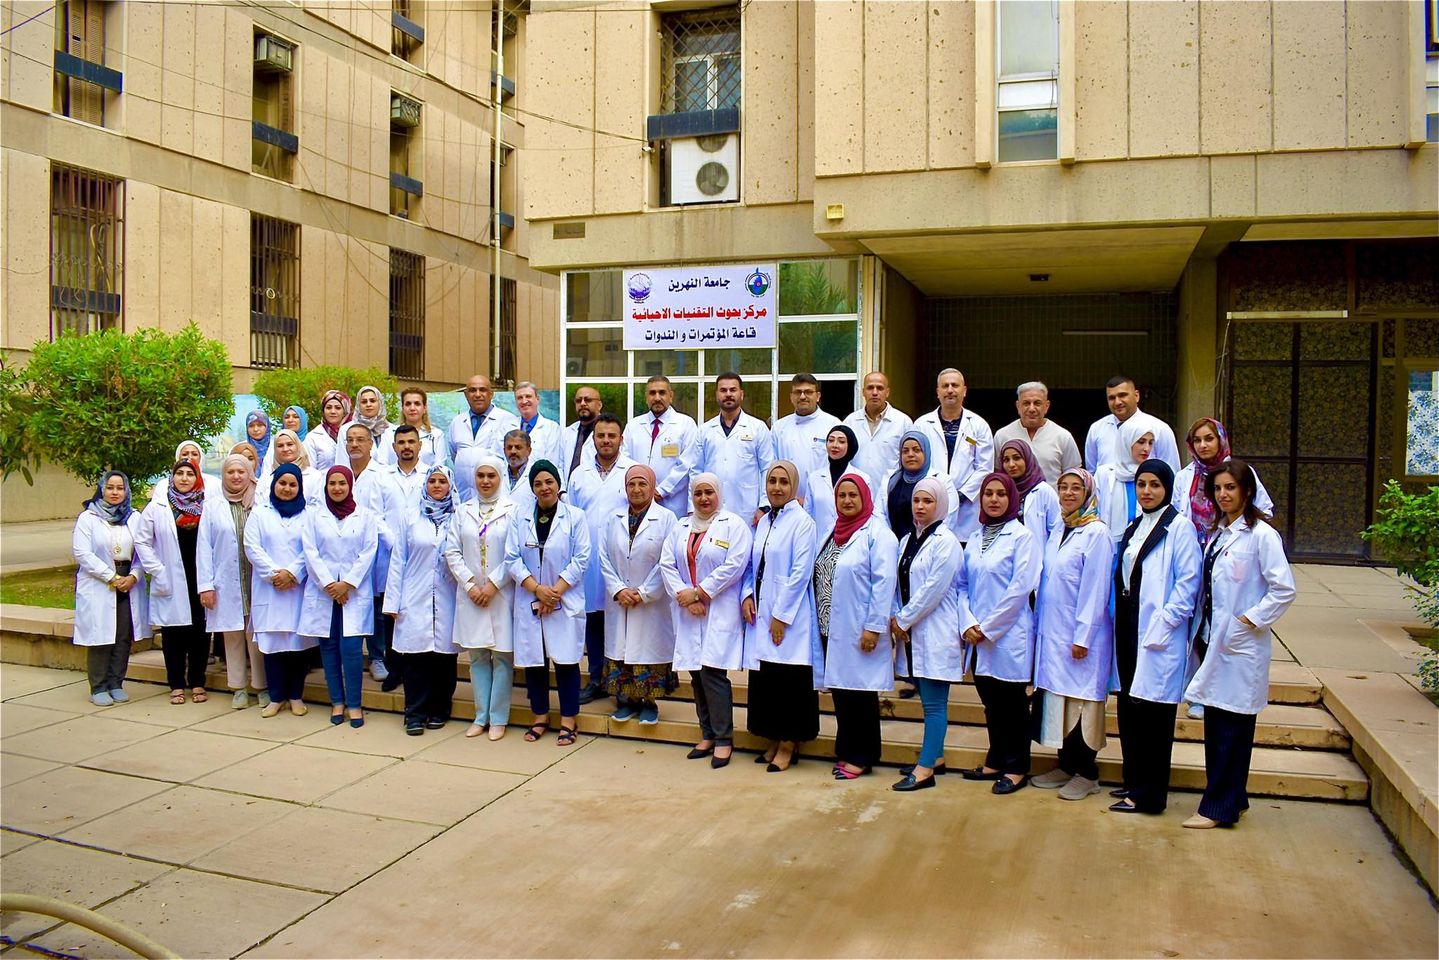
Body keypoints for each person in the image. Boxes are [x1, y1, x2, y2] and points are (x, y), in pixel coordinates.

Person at [1182, 459, 1297, 829]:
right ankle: (1234, 799)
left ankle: (1217, 808)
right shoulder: (1219, 533)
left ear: (1247, 491)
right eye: (1218, 488)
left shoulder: (1262, 536)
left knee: (1230, 731)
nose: (1223, 495)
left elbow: (1284, 589)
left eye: (1230, 487)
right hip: (1214, 641)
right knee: (1217, 726)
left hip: (1241, 645)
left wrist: (1249, 620)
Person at [1108, 459, 1202, 816]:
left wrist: (1164, 624)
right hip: (1129, 627)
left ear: (1167, 488)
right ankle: (1133, 781)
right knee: (1130, 708)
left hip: (1159, 632)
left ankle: (1149, 796)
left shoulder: (1179, 528)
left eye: (1155, 485)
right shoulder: (1135, 526)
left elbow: (1188, 585)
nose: (1147, 491)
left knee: (1154, 718)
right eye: (1142, 484)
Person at [956, 472, 1042, 795]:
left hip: (1008, 634)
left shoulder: (1022, 537)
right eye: (988, 493)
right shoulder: (975, 536)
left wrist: (988, 627)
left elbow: (1020, 589)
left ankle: (1017, 767)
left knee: (1013, 706)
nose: (993, 499)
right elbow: (962, 585)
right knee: (990, 702)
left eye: (1000, 494)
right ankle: (996, 759)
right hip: (977, 636)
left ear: (1011, 499)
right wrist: (967, 622)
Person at [1031, 468, 1115, 800]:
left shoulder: (1097, 533)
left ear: (1088, 493)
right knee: (1060, 703)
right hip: (1054, 633)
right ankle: (1066, 765)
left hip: (1082, 637)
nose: (1067, 493)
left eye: (1075, 488)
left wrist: (1083, 637)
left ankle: (1087, 773)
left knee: (1082, 705)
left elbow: (1096, 589)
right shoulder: (1060, 528)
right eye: (1063, 487)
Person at [660, 473, 753, 769]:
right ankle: (707, 733)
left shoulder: (734, 525)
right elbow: (666, 563)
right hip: (688, 610)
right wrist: (686, 596)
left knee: (713, 674)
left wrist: (701, 592)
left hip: (718, 609)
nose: (703, 498)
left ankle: (724, 739)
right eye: (698, 493)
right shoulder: (681, 526)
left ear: (719, 494)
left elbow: (735, 565)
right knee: (696, 675)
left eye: (709, 492)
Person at [817, 472, 898, 780]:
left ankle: (862, 756)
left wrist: (873, 627)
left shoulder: (878, 534)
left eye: (853, 495)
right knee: (842, 693)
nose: (847, 500)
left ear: (865, 497)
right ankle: (847, 749)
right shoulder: (833, 530)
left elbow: (884, 583)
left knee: (860, 696)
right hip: (830, 626)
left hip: (859, 628)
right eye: (842, 495)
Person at [507, 460, 590, 747]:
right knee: (535, 663)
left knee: (566, 662)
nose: (544, 488)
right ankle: (540, 716)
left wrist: (553, 593)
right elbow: (512, 558)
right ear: (532, 488)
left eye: (549, 482)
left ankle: (568, 720)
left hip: (563, 598)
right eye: (538, 483)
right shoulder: (519, 517)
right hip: (531, 597)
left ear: (558, 484)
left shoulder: (575, 517)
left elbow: (581, 558)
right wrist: (537, 590)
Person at [743, 461, 819, 773]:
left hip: (789, 615)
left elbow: (801, 573)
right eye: (772, 481)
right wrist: (747, 595)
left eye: (783, 482)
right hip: (762, 610)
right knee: (769, 678)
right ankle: (773, 736)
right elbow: (753, 564)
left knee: (790, 680)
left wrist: (781, 616)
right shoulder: (764, 521)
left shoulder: (803, 523)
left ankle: (789, 743)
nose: (777, 487)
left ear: (794, 486)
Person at [889, 477, 963, 792]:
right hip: (912, 632)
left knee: (934, 704)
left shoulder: (947, 542)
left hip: (935, 631)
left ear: (940, 505)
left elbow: (933, 589)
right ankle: (936, 756)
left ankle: (925, 769)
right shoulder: (908, 539)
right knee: (926, 700)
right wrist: (897, 616)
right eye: (917, 501)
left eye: (928, 501)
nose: (920, 506)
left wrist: (903, 619)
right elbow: (898, 582)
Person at [598, 465, 679, 725]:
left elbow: (668, 561)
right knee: (623, 648)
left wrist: (643, 593)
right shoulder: (613, 519)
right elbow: (603, 558)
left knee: (647, 650)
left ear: (653, 487)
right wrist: (619, 590)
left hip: (651, 603)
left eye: (642, 484)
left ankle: (649, 703)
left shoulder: (667, 519)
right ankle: (627, 702)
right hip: (620, 599)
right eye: (631, 484)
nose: (636, 489)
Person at [300, 465, 379, 729]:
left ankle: (354, 704)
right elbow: (310, 552)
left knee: (352, 649)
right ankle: (337, 701)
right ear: (326, 486)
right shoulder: (314, 515)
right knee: (329, 648)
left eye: (342, 483)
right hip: (324, 592)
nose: (337, 488)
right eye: (332, 483)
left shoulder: (365, 516)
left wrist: (347, 584)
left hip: (353, 592)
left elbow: (369, 551)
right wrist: (329, 585)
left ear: (350, 485)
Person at [444, 455, 517, 740]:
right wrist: (471, 584)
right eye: (481, 476)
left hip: (501, 594)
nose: (485, 481)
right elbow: (452, 551)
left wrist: (493, 585)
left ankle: (498, 718)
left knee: (501, 657)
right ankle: (480, 715)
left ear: (500, 478)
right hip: (472, 595)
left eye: (491, 476)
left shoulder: (513, 510)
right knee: (477, 657)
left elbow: (514, 553)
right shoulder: (462, 511)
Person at [385, 465, 460, 735]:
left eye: (442, 481)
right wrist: (393, 602)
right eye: (432, 481)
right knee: (415, 658)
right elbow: (398, 561)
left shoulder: (458, 517)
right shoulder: (411, 517)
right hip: (414, 593)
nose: (437, 485)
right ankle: (414, 713)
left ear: (450, 486)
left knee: (444, 657)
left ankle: (440, 708)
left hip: (448, 595)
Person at [565, 414, 635, 704]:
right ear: (593, 439)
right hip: (589, 559)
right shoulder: (579, 474)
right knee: (593, 619)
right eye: (601, 436)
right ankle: (596, 679)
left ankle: (622, 684)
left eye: (611, 436)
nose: (606, 441)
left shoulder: (631, 471)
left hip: (622, 560)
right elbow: (570, 517)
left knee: (621, 623)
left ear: (621, 439)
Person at [136, 461, 211, 704]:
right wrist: (157, 569)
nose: (184, 478)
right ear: (172, 477)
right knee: (173, 634)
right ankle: (176, 684)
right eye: (179, 473)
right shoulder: (158, 506)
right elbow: (142, 541)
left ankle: (198, 682)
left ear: (197, 478)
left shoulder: (206, 505)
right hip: (169, 576)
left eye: (190, 474)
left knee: (200, 631)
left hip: (199, 576)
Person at [72, 471, 149, 706]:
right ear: (102, 489)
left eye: (120, 488)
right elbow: (82, 553)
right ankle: (98, 686)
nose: (115, 492)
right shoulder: (88, 517)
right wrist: (112, 577)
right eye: (110, 488)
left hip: (129, 580)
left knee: (123, 635)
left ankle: (116, 683)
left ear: (126, 491)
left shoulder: (134, 517)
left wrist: (134, 576)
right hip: (100, 581)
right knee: (100, 634)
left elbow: (144, 550)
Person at [197, 454, 267, 709]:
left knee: (256, 634)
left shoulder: (261, 501)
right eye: (230, 472)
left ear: (249, 473)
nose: (236, 476)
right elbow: (204, 547)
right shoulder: (213, 506)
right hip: (226, 580)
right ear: (223, 475)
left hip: (256, 578)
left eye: (241, 471)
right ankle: (238, 687)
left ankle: (261, 686)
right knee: (232, 634)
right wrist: (205, 586)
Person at [243, 464, 313, 718]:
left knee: (297, 646)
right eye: (282, 483)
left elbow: (311, 549)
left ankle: (295, 696)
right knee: (272, 646)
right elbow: (252, 546)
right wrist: (275, 574)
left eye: (293, 484)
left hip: (297, 589)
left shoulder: (309, 515)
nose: (287, 488)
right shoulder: (260, 513)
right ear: (274, 485)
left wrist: (292, 573)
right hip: (269, 588)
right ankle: (275, 697)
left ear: (299, 487)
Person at [344, 422, 398, 685]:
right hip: (345, 551)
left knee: (377, 607)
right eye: (350, 440)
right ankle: (350, 657)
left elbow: (386, 515)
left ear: (370, 444)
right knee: (350, 604)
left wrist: (390, 544)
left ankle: (377, 657)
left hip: (377, 551)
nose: (355, 444)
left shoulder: (383, 475)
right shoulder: (339, 474)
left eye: (360, 440)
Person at [914, 368, 994, 544]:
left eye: (955, 385)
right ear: (938, 392)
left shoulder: (979, 425)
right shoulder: (921, 425)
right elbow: (916, 464)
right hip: (931, 502)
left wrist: (960, 495)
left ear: (964, 391)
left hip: (967, 509)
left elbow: (985, 468)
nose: (950, 390)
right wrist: (935, 493)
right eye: (945, 386)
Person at [1173, 417, 1275, 543]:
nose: (1202, 445)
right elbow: (1176, 516)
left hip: (1234, 544)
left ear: (1221, 440)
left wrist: (1247, 540)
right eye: (1197, 440)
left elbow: (1263, 510)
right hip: (1191, 546)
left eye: (1209, 439)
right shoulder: (1183, 476)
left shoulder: (1240, 471)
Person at [692, 372, 775, 522]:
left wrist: (764, 506)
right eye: (723, 390)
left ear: (741, 395)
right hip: (711, 510)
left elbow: (767, 469)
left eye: (733, 390)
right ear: (717, 395)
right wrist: (692, 508)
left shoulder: (758, 428)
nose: (728, 394)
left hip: (747, 510)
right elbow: (696, 471)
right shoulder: (704, 430)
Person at [621, 374, 698, 516]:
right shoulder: (633, 426)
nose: (657, 398)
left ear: (671, 396)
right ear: (646, 397)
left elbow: (687, 465)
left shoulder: (685, 424)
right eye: (652, 393)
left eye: (662, 393)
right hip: (637, 502)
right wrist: (640, 490)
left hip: (673, 503)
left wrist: (661, 491)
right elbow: (625, 462)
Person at [1083, 376, 1180, 472]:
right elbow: (1092, 473)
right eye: (1112, 398)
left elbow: (1171, 471)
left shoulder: (1159, 429)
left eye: (1122, 395)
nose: (1117, 402)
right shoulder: (1097, 429)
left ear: (1136, 396)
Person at [991, 382, 1081, 485]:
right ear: (1018, 406)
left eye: (1037, 403)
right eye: (1026, 403)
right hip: (1014, 495)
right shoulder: (1002, 435)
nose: (1031, 409)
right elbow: (997, 473)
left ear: (1046, 406)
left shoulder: (1063, 436)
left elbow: (1074, 476)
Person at [1094, 417, 1157, 542]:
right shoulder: (1104, 473)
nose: (1147, 448)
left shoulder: (1153, 474)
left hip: (1143, 543)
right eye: (1141, 442)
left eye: (1150, 443)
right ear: (1126, 441)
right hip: (1109, 543)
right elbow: (1094, 510)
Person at [843, 372, 913, 483]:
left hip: (891, 489)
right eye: (870, 388)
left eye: (880, 388)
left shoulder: (903, 422)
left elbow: (910, 460)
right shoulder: (850, 422)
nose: (875, 392)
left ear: (887, 392)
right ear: (863, 392)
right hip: (856, 488)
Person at [772, 374, 841, 479]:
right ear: (791, 397)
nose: (802, 397)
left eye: (808, 392)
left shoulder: (833, 425)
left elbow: (840, 464)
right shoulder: (779, 428)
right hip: (788, 489)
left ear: (818, 396)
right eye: (798, 392)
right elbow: (772, 464)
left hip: (823, 488)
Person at [447, 374, 520, 469]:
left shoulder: (508, 420)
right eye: (473, 390)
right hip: (463, 479)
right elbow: (454, 454)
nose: (478, 395)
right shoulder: (457, 422)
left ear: (491, 394)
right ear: (466, 394)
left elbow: (515, 455)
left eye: (482, 390)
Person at [802, 425, 861, 542]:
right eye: (831, 440)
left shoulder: (862, 478)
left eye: (841, 441)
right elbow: (807, 515)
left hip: (851, 542)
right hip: (819, 542)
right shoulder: (814, 478)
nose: (834, 445)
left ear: (850, 445)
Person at [999, 438, 1062, 547]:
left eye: (1017, 458)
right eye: (1006, 460)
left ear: (1027, 459)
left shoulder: (1044, 491)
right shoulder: (1001, 492)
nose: (1011, 464)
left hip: (1038, 554)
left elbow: (1056, 532)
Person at [381, 388, 446, 469]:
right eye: (408, 404)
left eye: (417, 404)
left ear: (424, 408)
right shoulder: (389, 433)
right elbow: (382, 463)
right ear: (402, 408)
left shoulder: (436, 435)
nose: (412, 408)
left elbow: (439, 466)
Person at [261, 429, 323, 507]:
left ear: (298, 446)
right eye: (280, 446)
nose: (285, 449)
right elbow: (259, 505)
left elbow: (318, 506)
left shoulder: (314, 476)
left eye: (290, 444)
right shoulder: (266, 476)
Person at [382, 424, 428, 522]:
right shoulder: (381, 476)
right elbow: (376, 514)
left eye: (411, 442)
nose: (406, 446)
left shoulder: (430, 476)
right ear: (394, 447)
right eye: (401, 442)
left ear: (420, 445)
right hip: (389, 531)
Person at [514, 381, 563, 471]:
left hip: (538, 478)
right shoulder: (507, 426)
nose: (524, 401)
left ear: (537, 399)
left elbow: (551, 462)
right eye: (520, 398)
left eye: (528, 396)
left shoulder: (552, 428)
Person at [493, 429, 538, 517]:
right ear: (504, 450)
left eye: (518, 447)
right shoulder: (497, 474)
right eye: (509, 447)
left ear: (529, 450)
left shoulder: (537, 475)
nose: (513, 451)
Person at [304, 389, 351, 472]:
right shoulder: (313, 437)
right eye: (328, 408)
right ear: (323, 411)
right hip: (322, 480)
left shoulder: (353, 432)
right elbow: (310, 471)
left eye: (338, 408)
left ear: (345, 411)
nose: (333, 411)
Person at [561, 385, 602, 479]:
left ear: (599, 405)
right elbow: (560, 465)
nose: (582, 403)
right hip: (568, 487)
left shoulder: (607, 433)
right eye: (578, 400)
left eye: (588, 400)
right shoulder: (567, 433)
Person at [352, 385, 393, 464]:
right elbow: (342, 462)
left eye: (372, 401)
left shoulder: (392, 430)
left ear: (380, 403)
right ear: (358, 405)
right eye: (364, 402)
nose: (368, 404)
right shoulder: (347, 429)